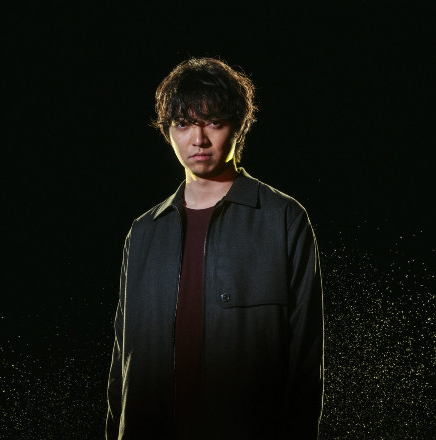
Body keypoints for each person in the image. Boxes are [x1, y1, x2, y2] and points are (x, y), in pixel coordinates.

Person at [105, 57, 324, 440]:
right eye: (183, 124)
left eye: (214, 122)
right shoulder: (143, 232)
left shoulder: (283, 219)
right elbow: (121, 361)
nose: (199, 139)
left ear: (240, 126)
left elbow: (305, 361)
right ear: (168, 132)